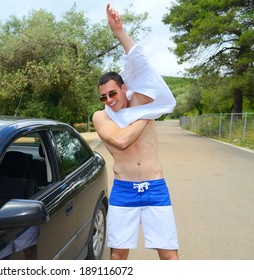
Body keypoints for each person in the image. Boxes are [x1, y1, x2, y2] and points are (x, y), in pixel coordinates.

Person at [92, 4, 179, 260]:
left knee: (170, 255)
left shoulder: (141, 100)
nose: (109, 100)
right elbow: (120, 140)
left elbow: (140, 63)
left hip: (155, 186)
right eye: (103, 97)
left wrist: (119, 32)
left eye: (113, 93)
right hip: (124, 189)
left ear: (124, 88)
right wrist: (147, 115)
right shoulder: (103, 116)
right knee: (118, 255)